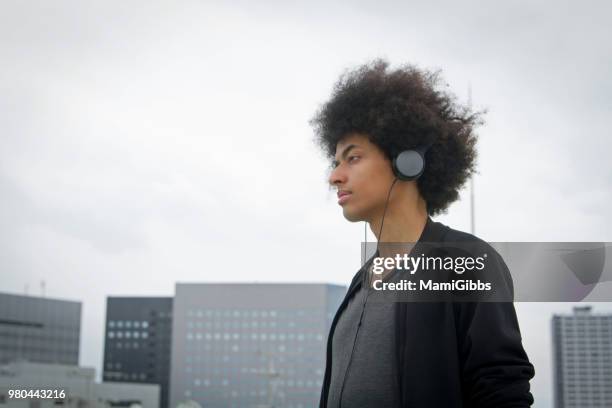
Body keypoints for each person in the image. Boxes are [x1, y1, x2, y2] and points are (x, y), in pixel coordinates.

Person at [310, 59, 535, 407]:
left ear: (407, 161)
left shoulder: (466, 262)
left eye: (352, 158)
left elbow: (502, 391)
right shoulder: (360, 280)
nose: (334, 176)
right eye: (336, 161)